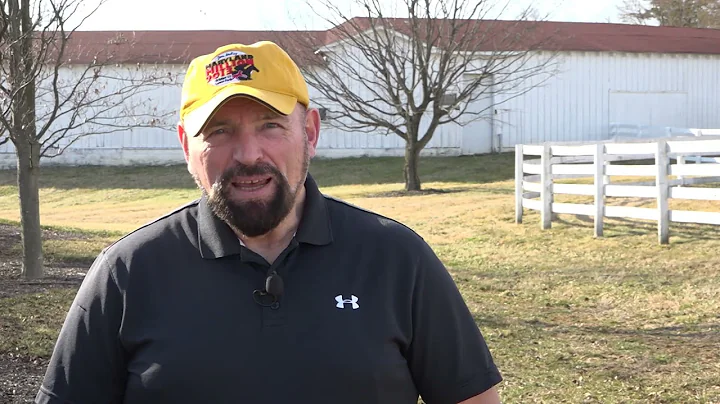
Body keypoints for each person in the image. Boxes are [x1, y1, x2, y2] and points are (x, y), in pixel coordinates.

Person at [35, 41, 503, 404]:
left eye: (270, 126)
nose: (248, 155)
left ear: (310, 132)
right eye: (219, 131)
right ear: (186, 147)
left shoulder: (397, 258)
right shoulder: (127, 272)